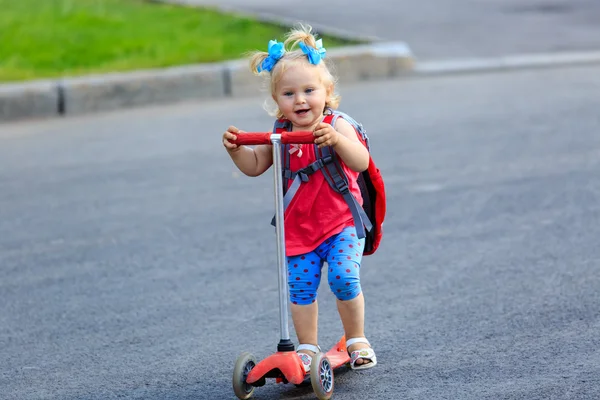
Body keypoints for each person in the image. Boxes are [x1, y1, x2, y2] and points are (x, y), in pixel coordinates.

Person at [222, 24, 377, 371]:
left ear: (327, 90)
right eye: (289, 94)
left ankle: (356, 339)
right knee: (301, 289)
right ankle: (307, 347)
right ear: (277, 100)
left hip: (341, 224)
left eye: (309, 90)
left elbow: (361, 161)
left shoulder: (337, 124)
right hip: (299, 230)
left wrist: (337, 141)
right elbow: (256, 164)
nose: (300, 100)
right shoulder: (279, 133)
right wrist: (237, 151)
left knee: (343, 278)